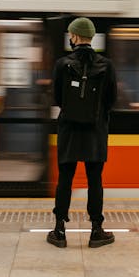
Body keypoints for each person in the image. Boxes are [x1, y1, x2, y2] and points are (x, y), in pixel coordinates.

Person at [48, 17, 118, 248]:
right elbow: (111, 101)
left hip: (69, 130)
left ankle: (59, 230)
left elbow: (58, 99)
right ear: (91, 38)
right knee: (94, 180)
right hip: (95, 131)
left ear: (75, 37)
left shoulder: (62, 64)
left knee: (65, 180)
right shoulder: (106, 65)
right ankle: (96, 230)